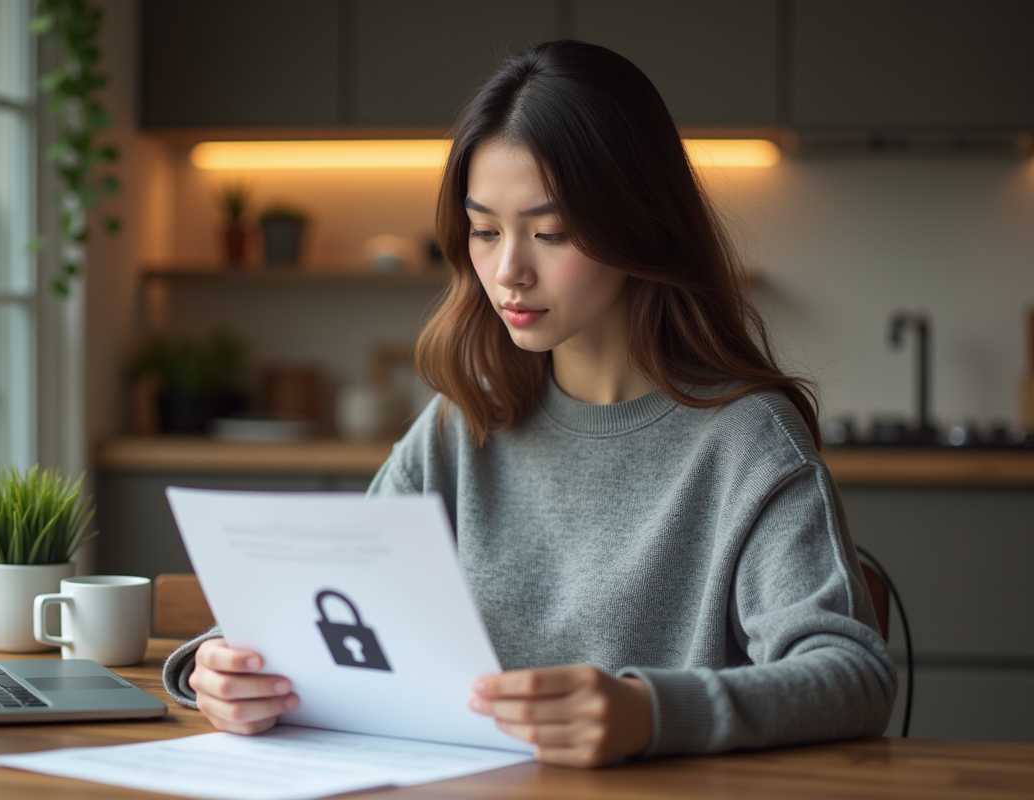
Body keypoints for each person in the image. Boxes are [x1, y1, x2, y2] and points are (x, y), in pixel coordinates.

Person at [162, 39, 896, 768]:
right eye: (485, 231)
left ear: (641, 222)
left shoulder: (747, 441)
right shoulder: (462, 424)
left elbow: (853, 676)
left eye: (552, 233)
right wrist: (219, 668)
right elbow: (330, 607)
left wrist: (648, 712)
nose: (509, 270)